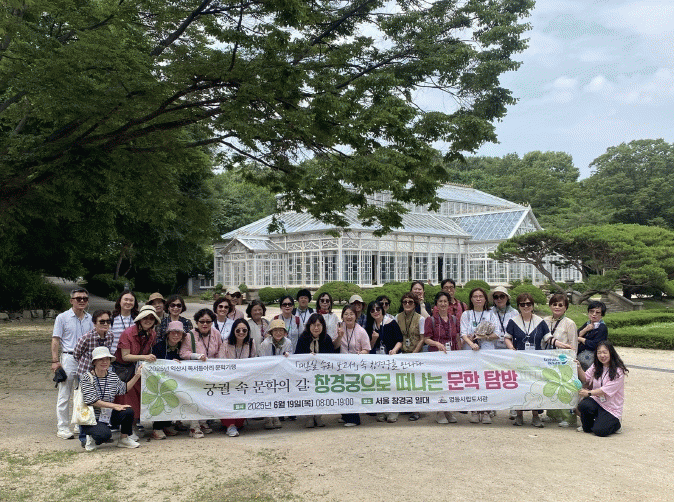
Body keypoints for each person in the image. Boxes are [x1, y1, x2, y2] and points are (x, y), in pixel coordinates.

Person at [79, 346, 142, 450]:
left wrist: (137, 376)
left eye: (107, 359)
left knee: (128, 411)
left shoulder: (112, 376)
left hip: (107, 415)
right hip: (91, 417)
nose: (104, 362)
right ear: (94, 362)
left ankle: (124, 439)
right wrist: (115, 406)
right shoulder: (87, 377)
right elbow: (92, 401)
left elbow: (123, 389)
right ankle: (90, 437)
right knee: (105, 435)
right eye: (101, 359)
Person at [51, 288, 94, 439]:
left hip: (86, 359)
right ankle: (62, 427)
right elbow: (55, 339)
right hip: (68, 358)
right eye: (78, 298)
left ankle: (78, 423)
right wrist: (55, 361)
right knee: (64, 394)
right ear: (71, 301)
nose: (82, 301)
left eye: (85, 298)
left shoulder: (90, 319)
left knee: (82, 393)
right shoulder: (62, 318)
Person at [504, 293, 550, 427]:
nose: (526, 306)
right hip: (519, 361)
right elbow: (507, 337)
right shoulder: (513, 321)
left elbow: (548, 338)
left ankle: (535, 416)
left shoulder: (540, 322)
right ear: (518, 306)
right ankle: (519, 415)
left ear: (533, 305)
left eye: (528, 304)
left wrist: (564, 346)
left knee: (535, 388)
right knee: (519, 388)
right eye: (522, 304)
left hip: (536, 362)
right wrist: (511, 348)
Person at [114, 305, 159, 432]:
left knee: (138, 399)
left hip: (139, 370)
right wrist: (145, 357)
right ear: (139, 319)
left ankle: (132, 427)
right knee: (127, 399)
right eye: (145, 318)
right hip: (125, 371)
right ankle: (126, 429)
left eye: (151, 318)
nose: (148, 321)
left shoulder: (152, 334)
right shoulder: (128, 333)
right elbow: (125, 356)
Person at [424, 291, 461, 425]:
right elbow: (426, 339)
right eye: (440, 301)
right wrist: (437, 343)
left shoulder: (454, 319)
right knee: (439, 384)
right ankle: (440, 411)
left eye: (445, 301)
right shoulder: (431, 320)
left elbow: (457, 338)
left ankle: (448, 410)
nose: (443, 304)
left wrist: (459, 353)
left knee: (450, 384)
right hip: (436, 357)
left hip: (451, 357)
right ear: (436, 304)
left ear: (449, 304)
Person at [576, 341, 627, 437]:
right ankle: (590, 425)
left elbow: (605, 390)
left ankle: (617, 425)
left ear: (611, 353)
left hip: (612, 408)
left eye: (605, 352)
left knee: (600, 431)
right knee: (584, 405)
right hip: (598, 401)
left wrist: (589, 393)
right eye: (599, 353)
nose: (602, 355)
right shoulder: (596, 366)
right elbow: (585, 378)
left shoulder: (618, 371)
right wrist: (578, 366)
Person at [543, 293, 579, 427]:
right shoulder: (545, 321)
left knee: (565, 388)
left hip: (563, 361)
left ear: (565, 307)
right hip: (548, 359)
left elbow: (573, 344)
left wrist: (572, 360)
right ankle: (552, 414)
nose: (557, 307)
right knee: (551, 386)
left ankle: (568, 417)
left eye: (560, 305)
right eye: (554, 304)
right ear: (550, 306)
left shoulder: (570, 323)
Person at [365, 300, 403, 423]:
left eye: (378, 309)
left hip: (391, 359)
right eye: (372, 310)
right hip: (377, 361)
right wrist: (373, 339)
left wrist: (394, 350)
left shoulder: (391, 323)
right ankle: (381, 409)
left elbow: (400, 340)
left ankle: (393, 410)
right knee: (379, 385)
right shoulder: (369, 326)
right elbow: (368, 346)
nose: (375, 312)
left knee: (392, 385)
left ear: (382, 310)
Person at [218, 318, 257, 437]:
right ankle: (230, 425)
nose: (241, 332)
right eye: (238, 330)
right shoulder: (226, 343)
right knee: (227, 403)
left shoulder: (251, 343)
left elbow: (254, 360)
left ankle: (235, 423)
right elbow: (221, 362)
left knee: (240, 420)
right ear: (233, 330)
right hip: (228, 380)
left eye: (244, 330)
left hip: (244, 381)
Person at [295, 314, 333, 428]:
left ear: (323, 326)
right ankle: (309, 417)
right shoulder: (303, 338)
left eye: (319, 325)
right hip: (307, 374)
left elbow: (331, 358)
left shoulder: (327, 338)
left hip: (322, 374)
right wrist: (307, 357)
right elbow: (297, 356)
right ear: (309, 326)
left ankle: (318, 416)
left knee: (321, 395)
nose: (316, 328)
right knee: (308, 395)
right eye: (313, 325)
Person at [335, 304, 371, 426]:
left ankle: (354, 419)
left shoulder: (361, 331)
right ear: (342, 316)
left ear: (356, 316)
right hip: (342, 366)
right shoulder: (339, 328)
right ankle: (345, 416)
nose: (349, 317)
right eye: (346, 314)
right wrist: (339, 336)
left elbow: (367, 349)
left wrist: (360, 354)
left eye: (351, 314)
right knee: (342, 390)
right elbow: (335, 346)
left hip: (356, 366)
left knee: (352, 391)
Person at [150, 321, 185, 439]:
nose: (176, 335)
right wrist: (169, 363)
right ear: (168, 334)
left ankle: (167, 425)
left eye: (179, 333)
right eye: (173, 333)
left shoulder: (183, 347)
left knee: (173, 401)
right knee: (161, 401)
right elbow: (154, 363)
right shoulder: (159, 346)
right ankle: (157, 428)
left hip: (176, 381)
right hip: (159, 381)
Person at [258, 319, 293, 429]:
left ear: (284, 332)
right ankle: (268, 417)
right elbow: (262, 359)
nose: (278, 333)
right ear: (271, 332)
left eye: (281, 330)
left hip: (281, 373)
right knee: (267, 395)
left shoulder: (288, 343)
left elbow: (291, 357)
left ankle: (276, 416)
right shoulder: (265, 344)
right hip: (268, 373)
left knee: (278, 394)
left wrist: (288, 356)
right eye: (275, 330)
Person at [396, 292, 426, 421]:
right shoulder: (397, 317)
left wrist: (414, 354)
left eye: (410, 302)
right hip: (402, 353)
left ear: (415, 304)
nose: (407, 304)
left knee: (416, 383)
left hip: (415, 354)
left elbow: (422, 338)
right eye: (405, 302)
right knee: (404, 382)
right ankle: (407, 406)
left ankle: (416, 410)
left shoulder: (420, 319)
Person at [577, 301, 609, 370]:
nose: (594, 314)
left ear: (602, 314)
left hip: (591, 361)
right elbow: (575, 335)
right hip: (580, 357)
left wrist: (581, 339)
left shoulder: (602, 327)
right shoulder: (587, 324)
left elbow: (595, 345)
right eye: (591, 311)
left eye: (597, 312)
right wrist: (585, 330)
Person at [109, 290, 139, 355]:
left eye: (131, 300)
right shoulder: (111, 319)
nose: (128, 302)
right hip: (114, 356)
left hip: (132, 357)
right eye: (126, 299)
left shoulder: (138, 320)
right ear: (120, 301)